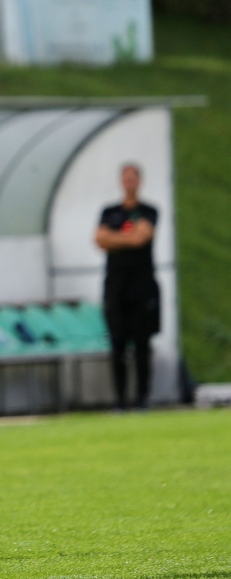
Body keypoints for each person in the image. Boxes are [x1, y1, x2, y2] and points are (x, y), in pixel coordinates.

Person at [94, 163, 160, 411]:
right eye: (126, 178)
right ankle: (120, 400)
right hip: (116, 286)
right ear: (121, 181)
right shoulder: (109, 211)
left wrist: (114, 239)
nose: (129, 182)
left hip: (141, 287)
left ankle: (142, 398)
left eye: (133, 178)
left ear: (139, 181)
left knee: (142, 345)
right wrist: (125, 239)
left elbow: (140, 238)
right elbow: (99, 239)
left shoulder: (148, 211)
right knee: (117, 344)